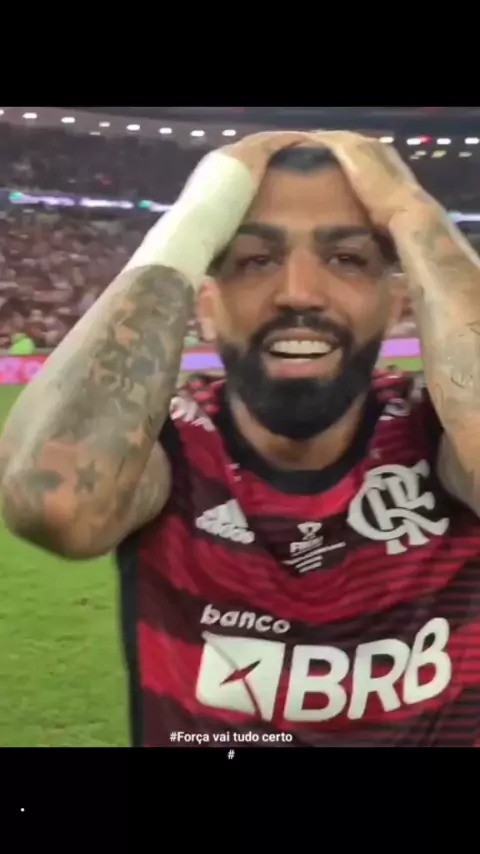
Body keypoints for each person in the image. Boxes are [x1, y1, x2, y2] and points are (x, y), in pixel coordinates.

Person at [2, 129, 480, 748]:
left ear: (395, 306)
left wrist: (411, 211)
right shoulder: (170, 445)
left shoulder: (440, 434)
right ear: (204, 308)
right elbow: (54, 501)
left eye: (346, 259)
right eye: (255, 260)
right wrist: (193, 220)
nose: (299, 293)